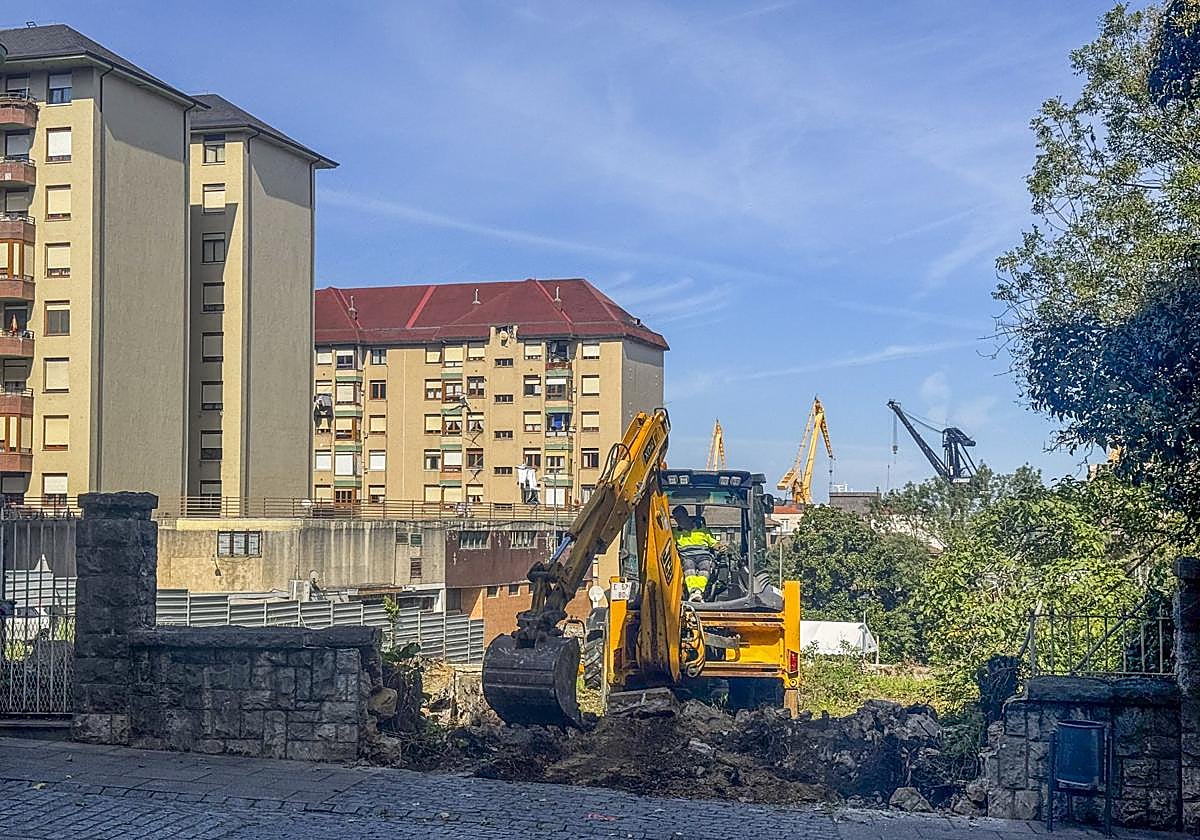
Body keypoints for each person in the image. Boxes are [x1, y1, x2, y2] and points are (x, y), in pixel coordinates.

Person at [671, 504, 718, 602]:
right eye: (675, 518)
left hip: (704, 556)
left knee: (705, 566)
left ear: (686, 515)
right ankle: (694, 592)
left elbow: (714, 543)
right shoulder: (675, 533)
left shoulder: (703, 530)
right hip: (687, 557)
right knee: (689, 567)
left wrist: (722, 546)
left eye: (679, 517)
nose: (677, 521)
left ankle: (697, 592)